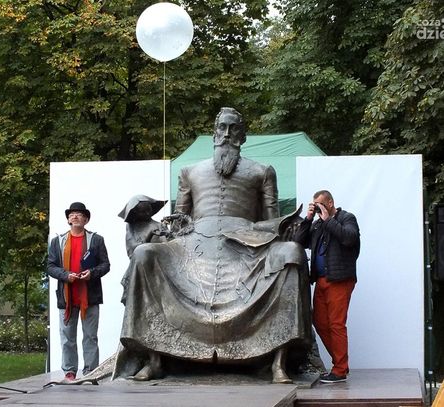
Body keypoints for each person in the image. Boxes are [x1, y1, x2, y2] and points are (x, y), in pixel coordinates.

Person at [113, 107, 312, 383]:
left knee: (292, 253)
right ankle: (154, 358)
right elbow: (180, 219)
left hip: (246, 244)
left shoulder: (263, 171)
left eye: (233, 128)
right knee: (144, 254)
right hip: (193, 245)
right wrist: (160, 232)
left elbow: (271, 222)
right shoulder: (189, 171)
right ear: (214, 133)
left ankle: (279, 361)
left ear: (243, 136)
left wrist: (289, 227)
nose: (227, 134)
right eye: (222, 128)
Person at [293, 190, 360, 383]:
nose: (318, 209)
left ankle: (339, 370)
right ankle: (341, 363)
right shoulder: (317, 225)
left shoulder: (347, 218)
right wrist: (308, 219)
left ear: (330, 202)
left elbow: (349, 238)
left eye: (320, 204)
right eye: (315, 205)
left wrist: (328, 219)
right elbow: (298, 242)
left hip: (340, 279)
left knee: (336, 324)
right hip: (321, 280)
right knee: (320, 322)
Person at [47, 202, 110, 381]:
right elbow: (50, 267)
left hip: (90, 297)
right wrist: (66, 275)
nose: (74, 216)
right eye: (71, 214)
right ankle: (69, 372)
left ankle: (91, 373)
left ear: (86, 219)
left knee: (90, 336)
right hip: (66, 298)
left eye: (79, 214)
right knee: (67, 337)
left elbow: (105, 265)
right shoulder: (58, 241)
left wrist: (92, 273)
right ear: (68, 219)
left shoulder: (96, 240)